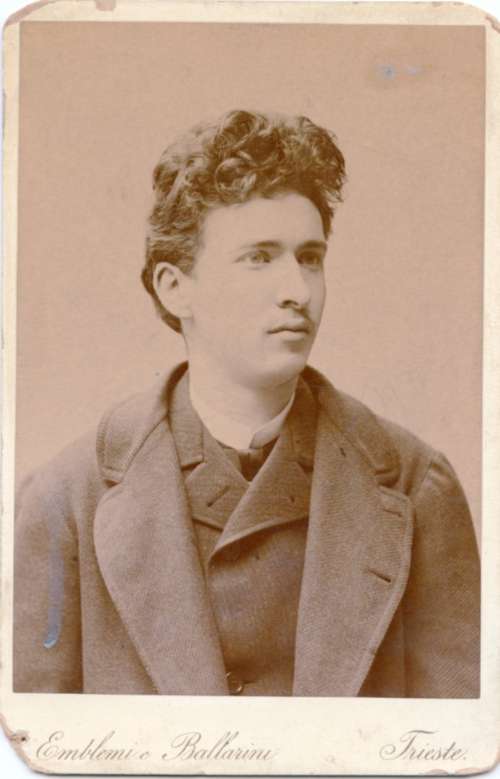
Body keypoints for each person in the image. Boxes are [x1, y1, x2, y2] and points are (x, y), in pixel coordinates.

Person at [14, 109, 480, 697]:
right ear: (174, 288)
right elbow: (30, 738)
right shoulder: (66, 501)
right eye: (259, 257)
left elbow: (456, 735)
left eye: (309, 258)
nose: (297, 290)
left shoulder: (417, 487)